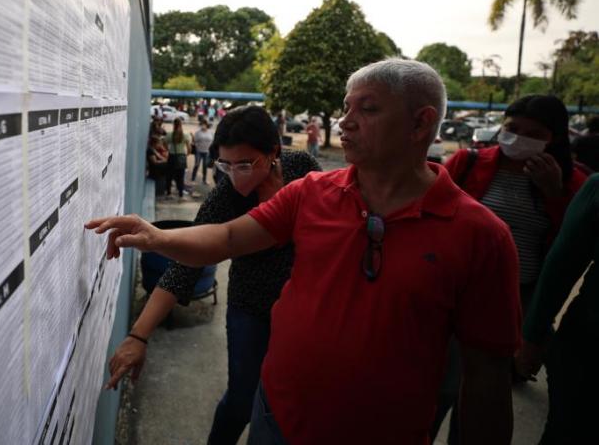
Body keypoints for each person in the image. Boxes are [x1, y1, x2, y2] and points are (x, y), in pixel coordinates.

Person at [88, 59, 521, 444]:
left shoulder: (481, 237)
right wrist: (156, 237)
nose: (344, 122)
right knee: (241, 394)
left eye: (367, 109)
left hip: (384, 432)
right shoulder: (311, 193)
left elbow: (486, 378)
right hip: (276, 415)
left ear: (421, 123)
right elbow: (225, 239)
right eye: (346, 107)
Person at [106, 106, 320, 444]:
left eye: (246, 164)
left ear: (274, 153)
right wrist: (138, 336)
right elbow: (185, 265)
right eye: (225, 165)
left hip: (305, 308)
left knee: (294, 402)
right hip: (250, 307)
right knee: (241, 399)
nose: (236, 176)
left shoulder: (303, 170)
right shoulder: (226, 197)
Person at [432, 94, 588, 444]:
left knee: (483, 392)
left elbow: (570, 248)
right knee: (441, 384)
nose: (518, 138)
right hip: (455, 292)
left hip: (515, 298)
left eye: (533, 133)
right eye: (512, 128)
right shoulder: (469, 163)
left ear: (555, 139)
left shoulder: (573, 182)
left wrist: (554, 192)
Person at [515, 173, 598, 443]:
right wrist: (533, 336)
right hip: (584, 353)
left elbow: (560, 266)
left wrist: (532, 337)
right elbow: (559, 268)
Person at [165, 118, 192, 199]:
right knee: (180, 176)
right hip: (181, 157)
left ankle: (169, 193)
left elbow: (164, 143)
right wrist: (186, 154)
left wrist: (168, 150)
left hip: (172, 156)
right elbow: (189, 148)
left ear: (174, 124)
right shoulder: (185, 135)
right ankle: (180, 194)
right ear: (181, 125)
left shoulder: (169, 134)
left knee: (169, 176)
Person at [191, 120, 214, 184]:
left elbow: (213, 141)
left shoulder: (210, 132)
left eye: (204, 124)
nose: (203, 126)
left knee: (205, 166)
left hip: (207, 152)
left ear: (207, 125)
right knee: (196, 165)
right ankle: (193, 179)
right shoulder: (198, 132)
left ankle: (204, 180)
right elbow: (194, 141)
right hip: (198, 151)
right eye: (201, 124)